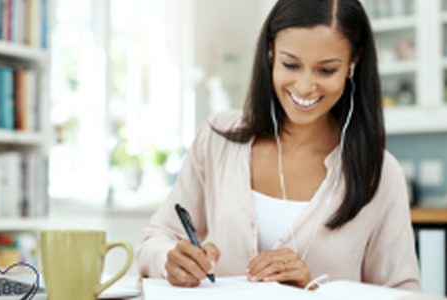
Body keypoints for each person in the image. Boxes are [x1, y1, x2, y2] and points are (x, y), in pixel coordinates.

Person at [135, 0, 420, 291]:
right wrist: (169, 260)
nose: (305, 86)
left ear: (353, 63)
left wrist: (313, 292)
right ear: (270, 51)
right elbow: (156, 237)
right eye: (291, 64)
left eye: (326, 70)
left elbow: (404, 294)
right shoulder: (217, 139)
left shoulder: (380, 174)